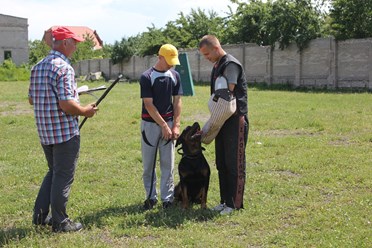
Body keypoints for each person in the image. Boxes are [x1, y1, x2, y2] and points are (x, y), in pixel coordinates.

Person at [29, 26, 98, 232]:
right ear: (65, 42)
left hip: (45, 132)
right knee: (63, 175)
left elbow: (32, 99)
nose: (76, 46)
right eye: (74, 42)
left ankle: (40, 216)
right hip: (64, 134)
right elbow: (67, 104)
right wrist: (85, 110)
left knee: (53, 172)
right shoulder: (64, 68)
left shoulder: (38, 66)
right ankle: (60, 222)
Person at [198, 35, 249, 215]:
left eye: (206, 54)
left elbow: (227, 95)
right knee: (222, 163)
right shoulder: (217, 65)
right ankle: (224, 201)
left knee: (234, 163)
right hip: (222, 120)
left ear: (215, 47)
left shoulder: (230, 65)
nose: (206, 58)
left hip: (235, 121)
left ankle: (234, 203)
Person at [140, 44, 183, 210]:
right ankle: (151, 198)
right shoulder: (146, 76)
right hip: (150, 126)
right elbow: (149, 105)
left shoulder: (175, 75)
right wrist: (164, 125)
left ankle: (167, 199)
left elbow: (177, 101)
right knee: (149, 164)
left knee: (168, 163)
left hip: (170, 125)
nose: (171, 64)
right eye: (169, 60)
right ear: (159, 57)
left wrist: (176, 125)